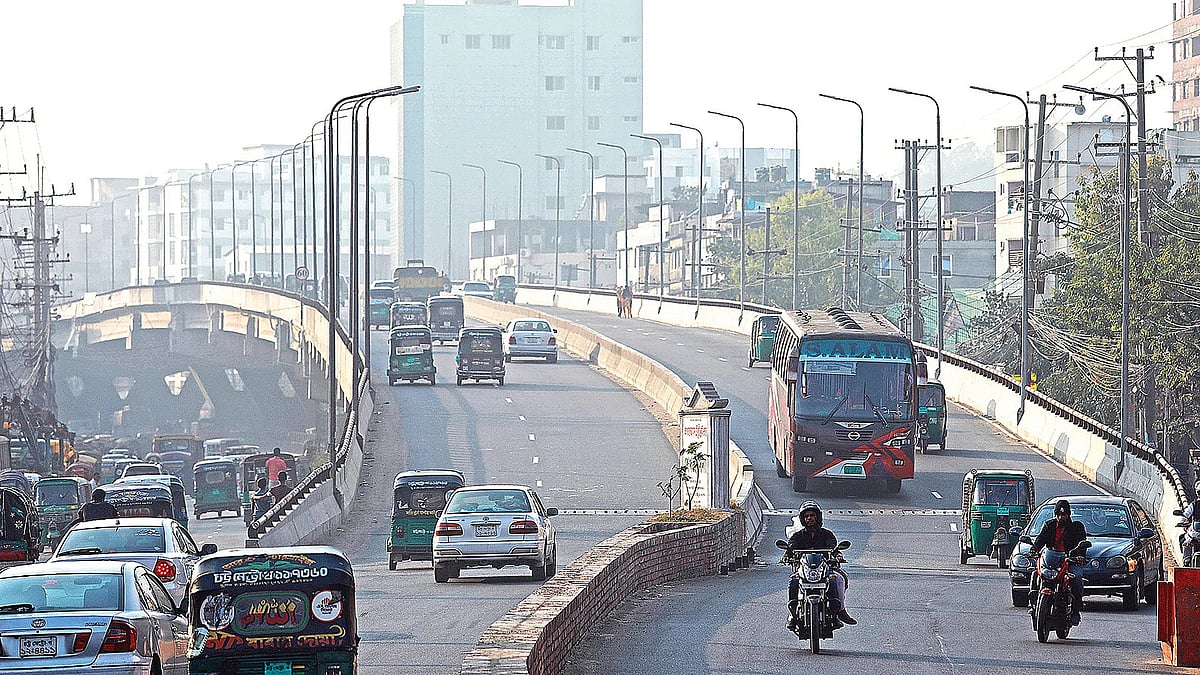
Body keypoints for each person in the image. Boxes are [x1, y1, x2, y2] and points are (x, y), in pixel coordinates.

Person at [785, 500, 856, 628]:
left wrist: (838, 556)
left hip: (824, 568)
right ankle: (793, 615)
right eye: (806, 516)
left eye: (812, 515)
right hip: (804, 570)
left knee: (837, 579)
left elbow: (833, 547)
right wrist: (787, 555)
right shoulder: (798, 536)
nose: (809, 518)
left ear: (817, 517)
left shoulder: (826, 534)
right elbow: (791, 547)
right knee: (793, 581)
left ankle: (838, 612)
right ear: (803, 519)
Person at [1027, 499, 1088, 626]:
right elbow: (1040, 539)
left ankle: (1076, 611)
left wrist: (1080, 556)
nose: (1061, 517)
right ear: (1055, 514)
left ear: (1068, 514)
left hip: (1069, 561)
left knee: (1076, 578)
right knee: (1034, 575)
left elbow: (1082, 544)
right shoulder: (1049, 525)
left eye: (1064, 514)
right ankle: (1033, 604)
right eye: (1058, 514)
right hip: (1051, 561)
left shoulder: (1076, 527)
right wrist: (1034, 549)